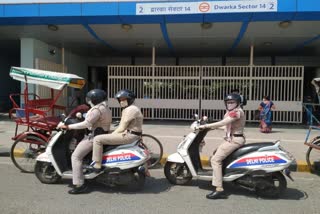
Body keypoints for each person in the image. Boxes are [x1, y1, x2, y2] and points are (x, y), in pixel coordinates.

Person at [58, 89, 112, 194]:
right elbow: (93, 118)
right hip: (102, 134)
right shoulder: (105, 108)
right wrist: (81, 115)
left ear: (94, 99)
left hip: (94, 137)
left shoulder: (97, 110)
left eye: (90, 99)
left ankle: (79, 184)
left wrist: (68, 126)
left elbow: (86, 124)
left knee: (75, 156)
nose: (88, 101)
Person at [197, 93, 245, 199]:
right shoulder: (232, 111)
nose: (230, 104)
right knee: (215, 153)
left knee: (215, 160)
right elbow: (226, 126)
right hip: (232, 138)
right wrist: (210, 128)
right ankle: (218, 177)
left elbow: (224, 122)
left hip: (235, 140)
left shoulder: (237, 112)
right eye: (228, 102)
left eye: (232, 102)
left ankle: (219, 189)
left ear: (237, 103)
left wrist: (205, 126)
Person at [88, 89, 143, 172]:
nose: (121, 101)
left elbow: (121, 127)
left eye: (123, 99)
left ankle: (97, 164)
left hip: (129, 136)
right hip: (130, 134)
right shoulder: (130, 108)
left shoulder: (130, 109)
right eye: (120, 100)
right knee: (106, 134)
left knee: (97, 139)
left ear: (129, 99)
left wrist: (112, 135)